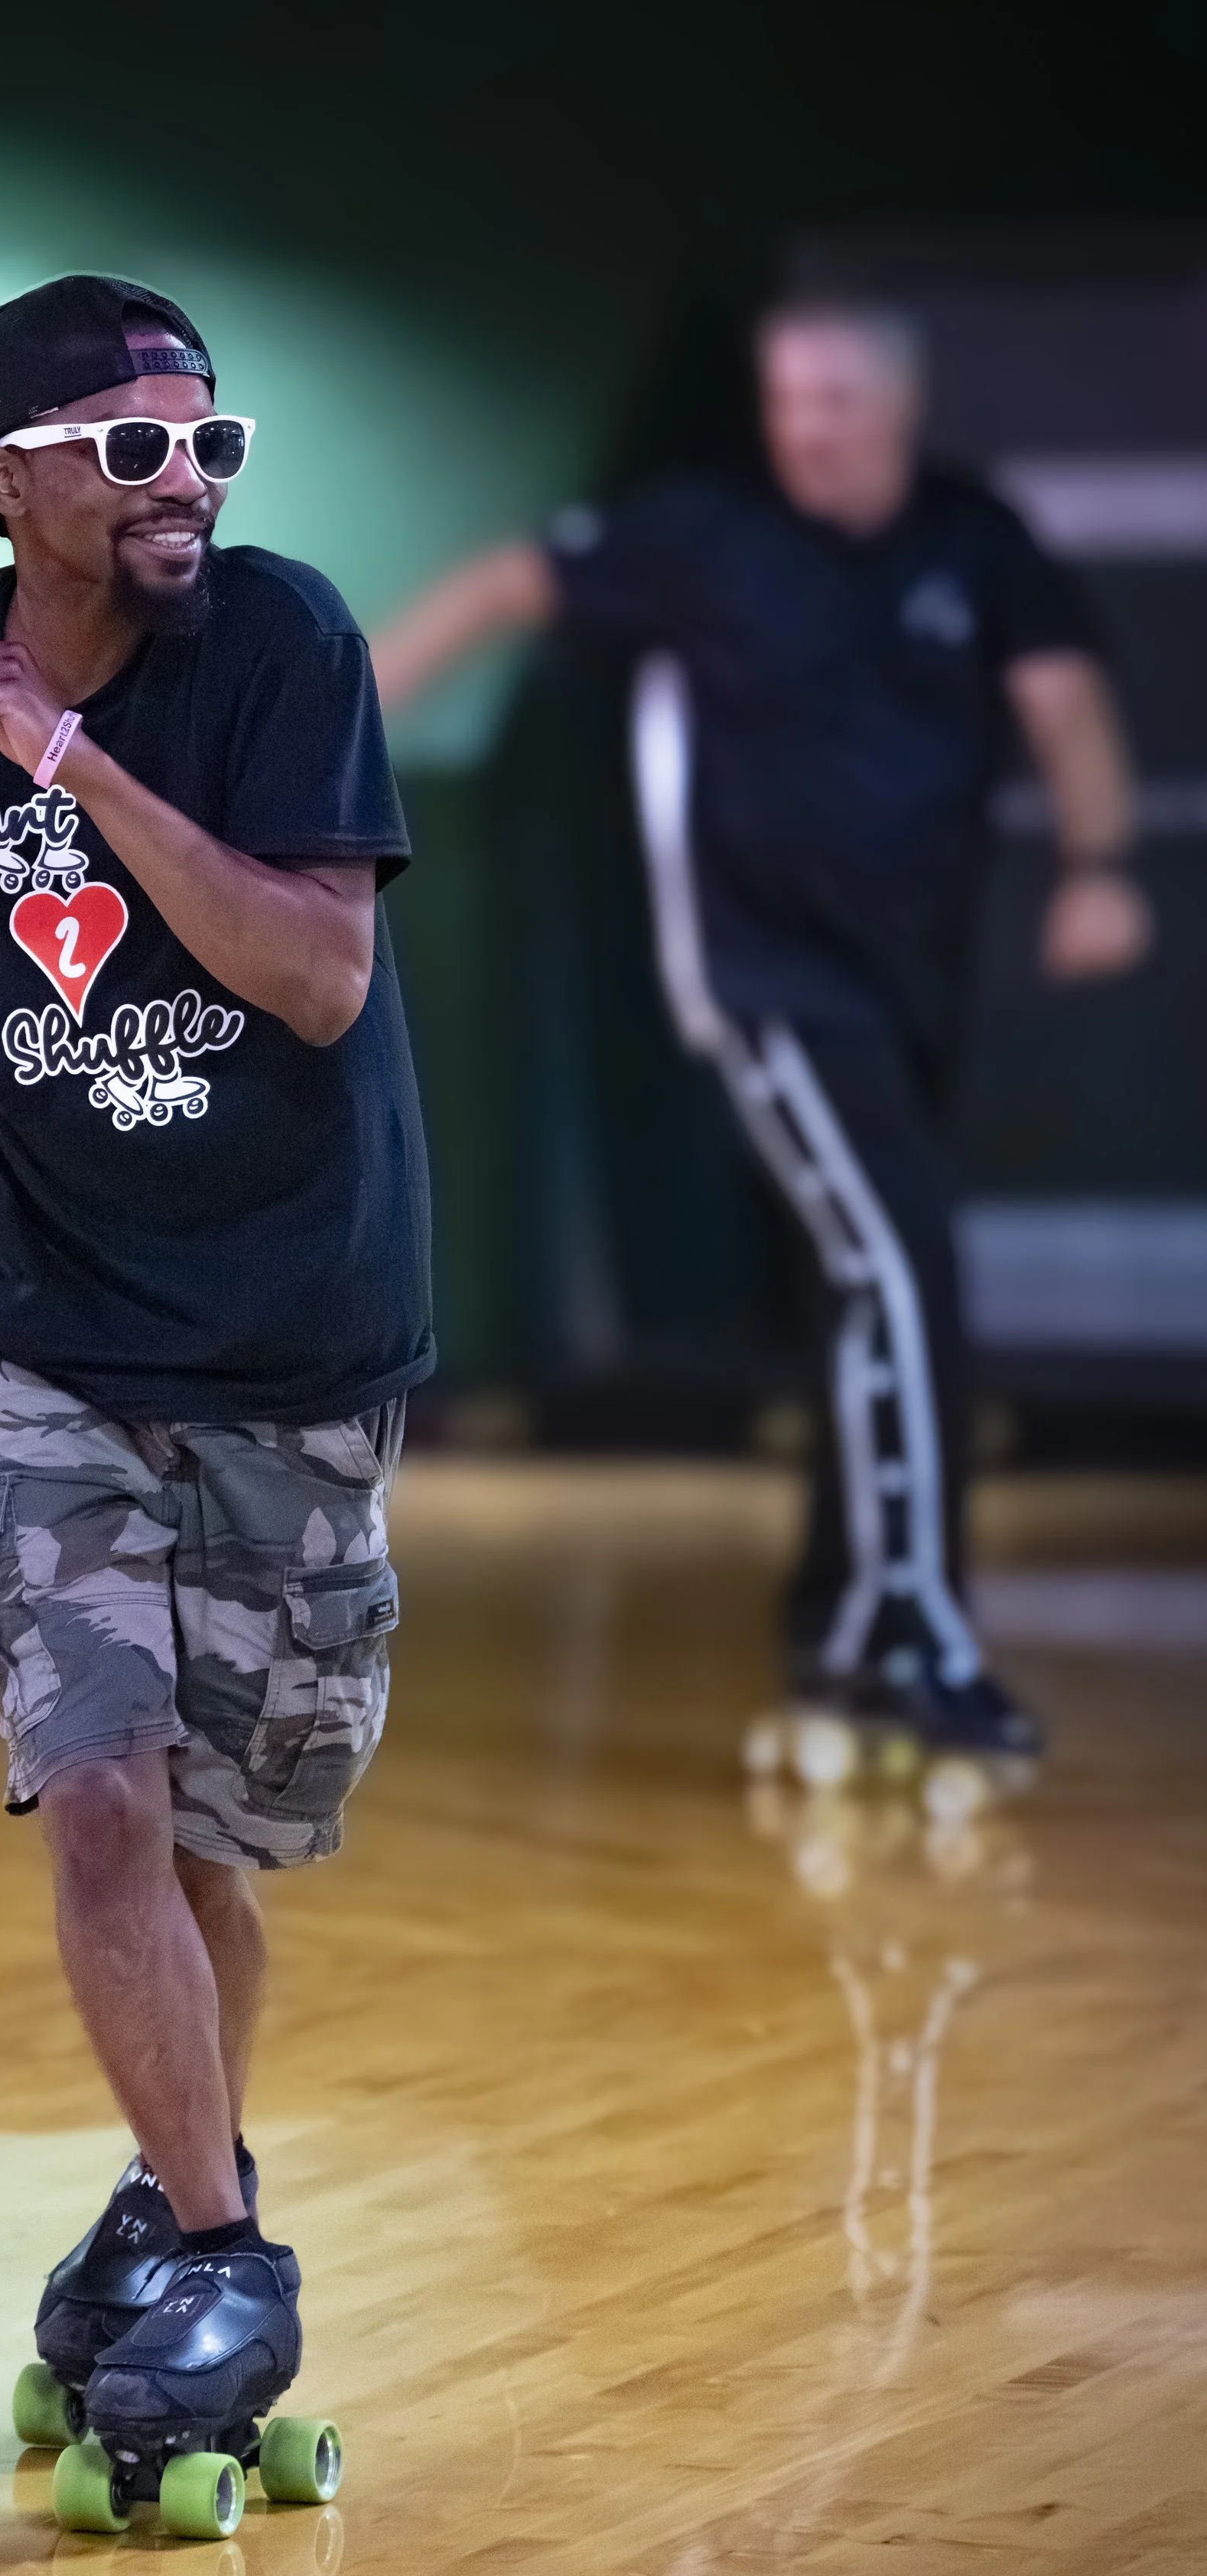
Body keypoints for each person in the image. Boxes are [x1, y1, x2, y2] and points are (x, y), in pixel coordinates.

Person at [0, 274, 431, 2513]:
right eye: (134, 448)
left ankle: (176, 2198)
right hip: (43, 1348)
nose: (188, 482)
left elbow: (314, 972)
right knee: (96, 1796)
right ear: (9, 479)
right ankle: (221, 2255)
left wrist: (68, 767)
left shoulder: (278, 641)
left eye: (210, 441)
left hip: (291, 1343)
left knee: (204, 1846)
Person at [369, 296, 1150, 1761]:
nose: (807, 430)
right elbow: (505, 583)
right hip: (765, 983)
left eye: (835, 401)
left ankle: (839, 1619)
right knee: (905, 1271)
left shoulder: (974, 539)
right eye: (788, 400)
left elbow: (1065, 703)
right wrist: (339, 727)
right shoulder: (706, 535)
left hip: (909, 979)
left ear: (901, 408)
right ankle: (912, 1629)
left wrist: (1099, 862)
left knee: (871, 1289)